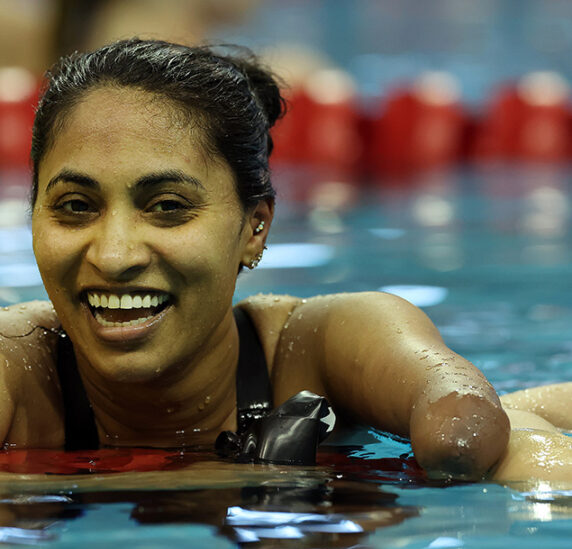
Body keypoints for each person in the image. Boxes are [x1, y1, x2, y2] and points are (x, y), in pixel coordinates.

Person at [0, 38, 569, 486]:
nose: (115, 254)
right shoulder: (16, 370)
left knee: (521, 444)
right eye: (75, 207)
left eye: (168, 208)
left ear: (255, 227)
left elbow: (461, 438)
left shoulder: (319, 347)